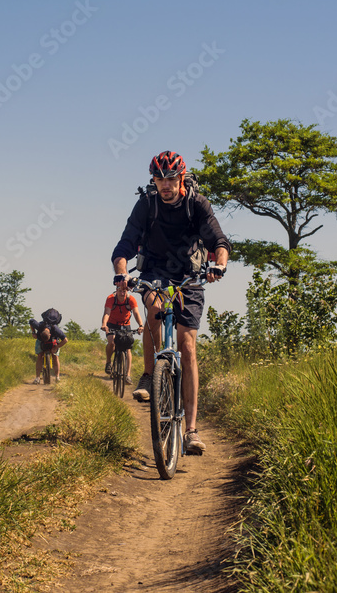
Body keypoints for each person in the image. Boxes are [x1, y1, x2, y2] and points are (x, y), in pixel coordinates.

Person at [110, 151, 230, 455]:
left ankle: (191, 430)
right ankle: (150, 375)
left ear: (181, 178)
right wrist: (122, 273)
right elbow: (124, 244)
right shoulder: (147, 205)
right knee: (153, 308)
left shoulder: (196, 205)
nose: (166, 184)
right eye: (160, 178)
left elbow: (219, 240)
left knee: (187, 347)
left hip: (190, 276)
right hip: (154, 274)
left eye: (171, 178)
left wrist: (219, 265)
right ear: (153, 179)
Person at [100, 279, 144, 384]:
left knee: (128, 348)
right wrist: (104, 325)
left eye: (125, 290)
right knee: (111, 342)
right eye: (120, 290)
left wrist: (141, 325)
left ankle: (128, 375)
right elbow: (107, 313)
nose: (122, 293)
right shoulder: (111, 299)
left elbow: (136, 313)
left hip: (125, 324)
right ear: (116, 290)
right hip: (111, 324)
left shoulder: (131, 299)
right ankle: (108, 362)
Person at [29, 313, 68, 383]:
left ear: (50, 334)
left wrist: (57, 347)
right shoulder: (39, 326)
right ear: (40, 333)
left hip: (53, 341)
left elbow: (65, 340)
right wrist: (33, 332)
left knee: (55, 356)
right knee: (40, 355)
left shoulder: (55, 329)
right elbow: (31, 321)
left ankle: (57, 377)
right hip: (40, 341)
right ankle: (37, 378)